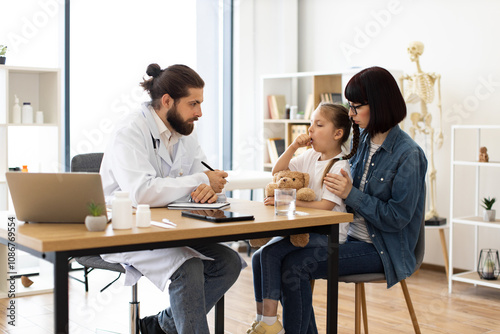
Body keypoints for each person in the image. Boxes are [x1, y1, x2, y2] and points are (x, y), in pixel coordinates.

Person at [278, 66, 428, 333]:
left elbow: (397, 218)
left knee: (296, 265)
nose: (350, 114)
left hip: (381, 248)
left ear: (379, 104)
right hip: (345, 237)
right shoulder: (362, 141)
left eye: (356, 107)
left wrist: (351, 194)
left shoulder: (409, 155)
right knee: (279, 252)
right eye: (350, 106)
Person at [99, 63, 243, 334]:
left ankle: (162, 325)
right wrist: (200, 182)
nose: (199, 112)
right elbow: (141, 193)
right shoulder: (129, 131)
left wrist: (207, 188)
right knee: (187, 267)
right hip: (125, 230)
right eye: (193, 103)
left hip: (170, 227)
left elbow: (201, 176)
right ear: (167, 101)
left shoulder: (185, 130)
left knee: (229, 263)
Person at [247, 103, 360, 334]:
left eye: (318, 125)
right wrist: (292, 147)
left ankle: (270, 323)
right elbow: (277, 171)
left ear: (338, 134)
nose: (310, 130)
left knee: (269, 253)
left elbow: (326, 206)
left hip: (328, 236)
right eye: (310, 124)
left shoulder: (339, 165)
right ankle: (263, 320)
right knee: (259, 256)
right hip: (305, 231)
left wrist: (288, 199)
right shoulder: (310, 156)